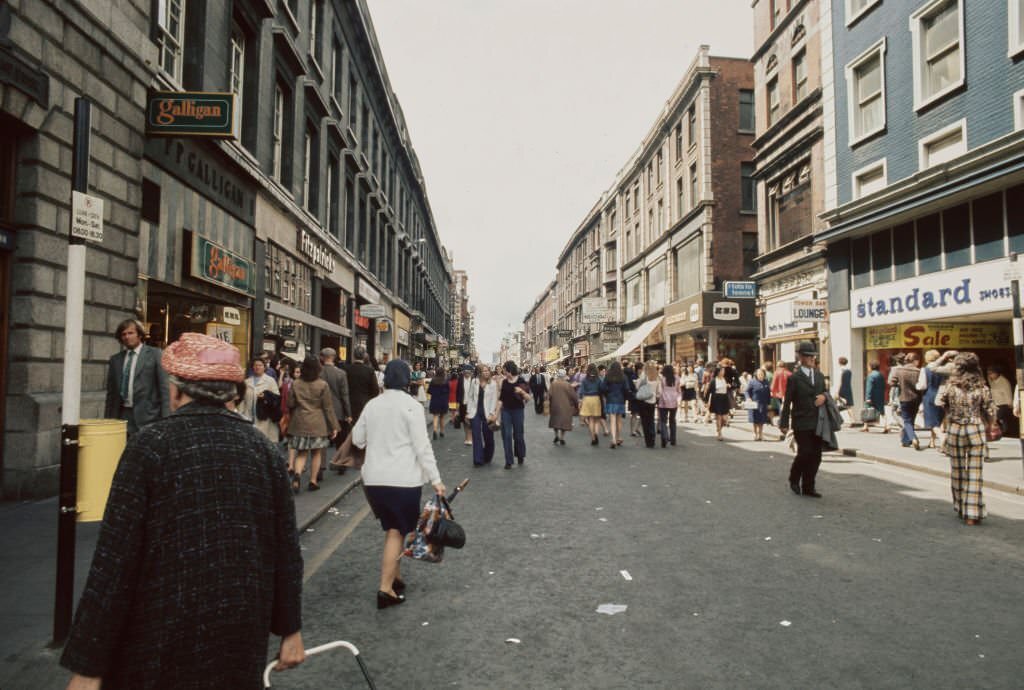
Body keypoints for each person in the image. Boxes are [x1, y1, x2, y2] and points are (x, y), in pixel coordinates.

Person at [61, 333, 304, 689]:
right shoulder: (263, 450)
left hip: (159, 628)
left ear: (176, 390)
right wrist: (290, 629)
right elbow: (286, 548)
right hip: (240, 627)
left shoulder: (150, 445)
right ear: (234, 393)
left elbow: (114, 560)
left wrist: (88, 666)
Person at [351, 359, 445, 608]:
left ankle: (396, 577)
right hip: (402, 480)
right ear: (406, 380)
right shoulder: (411, 406)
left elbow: (357, 439)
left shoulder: (372, 405)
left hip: (373, 480)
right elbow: (422, 447)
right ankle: (385, 590)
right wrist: (436, 480)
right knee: (396, 530)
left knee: (394, 528)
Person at [936, 353, 997, 526]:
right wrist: (990, 424)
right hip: (975, 428)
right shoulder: (982, 386)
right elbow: (991, 410)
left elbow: (938, 402)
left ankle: (960, 505)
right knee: (975, 473)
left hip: (955, 429)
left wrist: (949, 412)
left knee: (957, 470)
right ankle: (972, 512)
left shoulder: (950, 385)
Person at [103, 318, 170, 435]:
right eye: (123, 334)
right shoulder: (115, 360)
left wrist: (166, 421)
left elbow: (165, 390)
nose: (127, 337)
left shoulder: (155, 354)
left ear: (139, 335)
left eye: (131, 333)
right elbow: (111, 394)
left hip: (149, 418)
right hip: (122, 417)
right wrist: (108, 420)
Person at [779, 341, 827, 498]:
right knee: (805, 452)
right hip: (801, 421)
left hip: (818, 422)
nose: (811, 358)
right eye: (807, 355)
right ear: (800, 357)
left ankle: (808, 486)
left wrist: (824, 397)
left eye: (812, 356)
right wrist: (783, 422)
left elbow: (825, 393)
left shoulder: (819, 376)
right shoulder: (794, 378)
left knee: (816, 456)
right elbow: (787, 401)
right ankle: (794, 478)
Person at [287, 356, 339, 492]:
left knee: (301, 453)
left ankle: (297, 475)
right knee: (316, 453)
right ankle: (313, 481)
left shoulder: (296, 383)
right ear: (318, 369)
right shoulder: (322, 385)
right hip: (317, 422)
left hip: (299, 421)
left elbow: (290, 403)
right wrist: (334, 426)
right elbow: (328, 407)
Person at [494, 361, 531, 468]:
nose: (503, 372)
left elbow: (528, 398)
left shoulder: (521, 380)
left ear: (509, 370)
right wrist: (496, 414)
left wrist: (521, 392)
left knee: (518, 435)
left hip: (518, 411)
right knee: (507, 435)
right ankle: (508, 461)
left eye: (504, 370)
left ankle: (520, 455)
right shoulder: (504, 382)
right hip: (506, 411)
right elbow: (501, 400)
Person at [242, 357, 281, 443]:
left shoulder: (270, 381)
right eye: (255, 365)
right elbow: (242, 401)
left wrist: (266, 396)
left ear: (264, 367)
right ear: (252, 367)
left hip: (264, 418)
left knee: (263, 441)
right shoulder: (247, 382)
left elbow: (277, 397)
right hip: (249, 416)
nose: (257, 367)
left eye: (260, 365)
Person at [889, 352, 924, 450]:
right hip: (916, 398)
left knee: (907, 420)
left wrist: (900, 385)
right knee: (911, 420)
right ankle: (906, 441)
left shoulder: (899, 370)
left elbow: (892, 382)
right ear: (915, 361)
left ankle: (913, 438)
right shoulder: (919, 371)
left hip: (904, 397)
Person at [465, 364, 498, 465]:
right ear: (479, 373)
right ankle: (478, 459)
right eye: (484, 371)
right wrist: (468, 411)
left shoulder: (493, 384)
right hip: (475, 412)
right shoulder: (474, 382)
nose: (486, 372)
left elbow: (494, 399)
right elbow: (470, 397)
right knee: (476, 435)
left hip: (487, 413)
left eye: (488, 370)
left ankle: (487, 456)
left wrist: (492, 413)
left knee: (488, 436)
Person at [921, 349, 954, 448]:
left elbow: (922, 385)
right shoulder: (944, 369)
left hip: (929, 394)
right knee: (938, 420)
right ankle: (932, 441)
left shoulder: (926, 369)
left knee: (931, 421)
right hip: (942, 395)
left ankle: (941, 437)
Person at [345, 345, 380, 424]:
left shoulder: (347, 369)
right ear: (364, 356)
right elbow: (375, 390)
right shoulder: (370, 371)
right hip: (365, 403)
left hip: (350, 404)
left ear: (353, 355)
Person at [602, 361, 632, 448]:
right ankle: (618, 437)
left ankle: (613, 439)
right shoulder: (623, 376)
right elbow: (626, 388)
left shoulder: (608, 376)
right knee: (619, 420)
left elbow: (603, 388)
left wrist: (607, 393)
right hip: (620, 400)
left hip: (611, 399)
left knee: (612, 420)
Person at [547, 369, 579, 446]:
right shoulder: (567, 385)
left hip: (555, 406)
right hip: (566, 406)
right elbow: (574, 396)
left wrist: (549, 403)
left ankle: (556, 435)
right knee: (564, 423)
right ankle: (562, 437)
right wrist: (576, 405)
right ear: (564, 376)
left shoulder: (553, 384)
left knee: (555, 421)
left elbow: (549, 395)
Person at [633, 362, 660, 448]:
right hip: (652, 401)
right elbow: (659, 391)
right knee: (651, 420)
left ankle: (648, 441)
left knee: (645, 421)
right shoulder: (656, 376)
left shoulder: (644, 375)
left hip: (643, 401)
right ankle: (652, 438)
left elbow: (637, 386)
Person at [987, 365, 1015, 438]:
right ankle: (1003, 433)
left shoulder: (1004, 382)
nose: (990, 375)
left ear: (997, 373)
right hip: (996, 404)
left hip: (1003, 404)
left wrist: (1010, 404)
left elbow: (1008, 393)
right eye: (989, 374)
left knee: (999, 420)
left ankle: (1005, 433)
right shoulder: (992, 381)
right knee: (1000, 421)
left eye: (991, 373)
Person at [578, 364, 603, 446]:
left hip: (587, 399)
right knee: (597, 420)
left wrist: (580, 400)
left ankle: (593, 438)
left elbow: (581, 391)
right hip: (596, 399)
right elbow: (602, 389)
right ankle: (596, 433)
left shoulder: (585, 380)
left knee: (591, 420)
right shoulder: (598, 379)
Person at [657, 363, 681, 447]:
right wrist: (679, 399)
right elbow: (679, 390)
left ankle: (664, 437)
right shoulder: (677, 378)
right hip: (674, 401)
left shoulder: (662, 378)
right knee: (672, 420)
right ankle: (673, 439)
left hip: (663, 401)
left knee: (663, 421)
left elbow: (660, 390)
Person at [707, 364, 733, 441]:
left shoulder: (725, 379)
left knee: (724, 419)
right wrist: (707, 401)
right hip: (717, 399)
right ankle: (719, 433)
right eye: (722, 371)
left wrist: (729, 386)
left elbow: (729, 387)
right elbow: (709, 391)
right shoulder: (714, 380)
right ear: (718, 372)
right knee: (718, 417)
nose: (723, 372)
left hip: (724, 399)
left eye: (723, 371)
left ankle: (719, 429)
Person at [745, 368, 771, 441]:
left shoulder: (766, 382)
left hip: (763, 403)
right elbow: (746, 391)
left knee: (762, 420)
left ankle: (761, 434)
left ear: (764, 375)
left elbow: (768, 394)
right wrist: (748, 398)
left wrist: (769, 403)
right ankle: (755, 433)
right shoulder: (752, 382)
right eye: (759, 374)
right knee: (755, 420)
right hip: (754, 403)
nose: (760, 376)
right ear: (756, 374)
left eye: (762, 374)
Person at [862, 360, 886, 432]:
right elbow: (884, 386)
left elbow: (869, 387)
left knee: (866, 409)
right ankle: (886, 425)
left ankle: (865, 426)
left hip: (872, 396)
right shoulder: (881, 375)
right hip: (880, 395)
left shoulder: (871, 375)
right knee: (881, 411)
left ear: (871, 367)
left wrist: (868, 397)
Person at [427, 368, 450, 440]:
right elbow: (448, 391)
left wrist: (435, 393)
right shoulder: (446, 381)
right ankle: (442, 431)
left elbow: (429, 391)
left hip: (435, 400)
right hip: (443, 400)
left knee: (435, 416)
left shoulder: (433, 380)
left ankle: (434, 430)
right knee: (442, 417)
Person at [770, 361, 790, 438]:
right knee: (786, 410)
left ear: (778, 366)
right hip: (788, 395)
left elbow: (773, 385)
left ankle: (782, 427)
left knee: (781, 410)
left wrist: (772, 392)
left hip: (779, 395)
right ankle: (785, 426)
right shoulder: (789, 373)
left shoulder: (777, 373)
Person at [458, 365, 475, 446]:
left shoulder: (474, 380)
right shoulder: (460, 380)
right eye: (465, 372)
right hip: (463, 404)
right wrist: (457, 405)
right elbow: (458, 393)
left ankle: (470, 437)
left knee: (470, 421)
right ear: (463, 372)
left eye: (469, 372)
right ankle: (467, 437)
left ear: (471, 373)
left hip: (472, 404)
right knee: (464, 422)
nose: (467, 374)